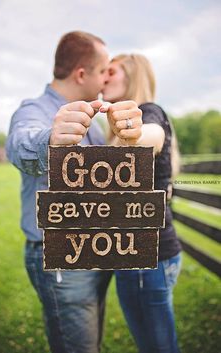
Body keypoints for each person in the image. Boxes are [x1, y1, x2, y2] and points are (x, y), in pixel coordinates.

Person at [6, 32, 143, 353]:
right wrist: (50, 139)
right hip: (62, 256)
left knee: (90, 340)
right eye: (102, 72)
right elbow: (18, 145)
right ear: (82, 74)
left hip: (95, 249)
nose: (105, 80)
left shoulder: (93, 123)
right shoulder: (34, 110)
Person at [102, 54, 182, 353]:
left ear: (132, 77)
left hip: (150, 258)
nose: (104, 77)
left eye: (111, 71)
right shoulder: (116, 127)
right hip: (134, 257)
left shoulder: (149, 112)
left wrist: (132, 134)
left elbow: (151, 136)